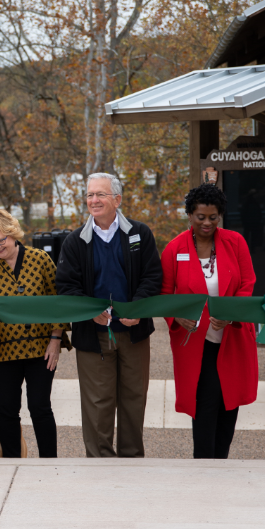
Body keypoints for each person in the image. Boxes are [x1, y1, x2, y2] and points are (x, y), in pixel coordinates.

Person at [55, 172, 163, 458]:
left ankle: (131, 460)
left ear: (117, 199)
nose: (94, 200)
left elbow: (153, 277)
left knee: (133, 400)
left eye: (100, 194)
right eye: (90, 195)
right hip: (94, 336)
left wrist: (137, 309)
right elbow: (66, 287)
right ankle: (100, 462)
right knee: (97, 404)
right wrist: (91, 312)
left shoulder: (140, 233)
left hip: (134, 333)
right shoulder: (75, 241)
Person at [161, 183, 257, 459]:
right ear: (190, 215)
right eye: (200, 217)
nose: (206, 223)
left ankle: (221, 465)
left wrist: (232, 313)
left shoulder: (235, 242)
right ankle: (203, 467)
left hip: (232, 338)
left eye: (213, 217)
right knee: (204, 406)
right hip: (196, 344)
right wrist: (176, 316)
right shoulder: (174, 249)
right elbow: (165, 294)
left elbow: (247, 282)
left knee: (229, 405)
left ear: (220, 216)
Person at [0, 209, 67, 458]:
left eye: (0, 241)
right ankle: (11, 463)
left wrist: (56, 340)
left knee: (39, 406)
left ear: (13, 234)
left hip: (40, 349)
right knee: (7, 410)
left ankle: (49, 463)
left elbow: (59, 304)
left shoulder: (40, 260)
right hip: (4, 352)